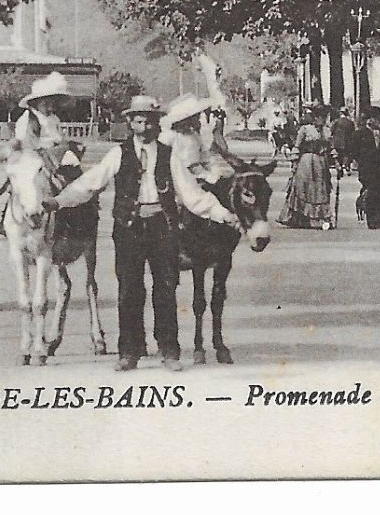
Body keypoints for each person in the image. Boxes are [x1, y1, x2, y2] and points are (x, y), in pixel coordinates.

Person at [53, 95, 241, 372]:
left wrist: (225, 215)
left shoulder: (169, 155)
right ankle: (130, 351)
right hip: (128, 229)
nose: (145, 126)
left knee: (165, 287)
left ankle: (169, 351)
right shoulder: (118, 154)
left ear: (156, 124)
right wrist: (58, 201)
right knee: (129, 290)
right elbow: (90, 183)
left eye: (150, 121)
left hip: (162, 227)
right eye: (139, 121)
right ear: (130, 123)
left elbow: (192, 195)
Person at [282, 105, 335, 229]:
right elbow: (297, 146)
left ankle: (321, 218)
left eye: (324, 117)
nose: (323, 120)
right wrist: (294, 164)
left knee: (320, 190)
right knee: (304, 188)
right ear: (315, 118)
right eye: (320, 117)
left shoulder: (327, 131)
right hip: (306, 162)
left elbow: (331, 149)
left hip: (321, 163)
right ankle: (302, 218)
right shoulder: (305, 129)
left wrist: (337, 163)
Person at [352, 109, 380, 229]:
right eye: (377, 119)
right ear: (370, 120)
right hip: (369, 169)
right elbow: (355, 151)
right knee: (371, 193)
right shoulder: (360, 134)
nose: (379, 121)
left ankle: (379, 220)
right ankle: (371, 220)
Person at [329, 104, 357, 177]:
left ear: (340, 113)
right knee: (347, 154)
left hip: (337, 142)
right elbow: (353, 132)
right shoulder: (350, 122)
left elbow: (331, 130)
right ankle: (347, 166)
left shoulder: (336, 121)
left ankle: (339, 168)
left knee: (338, 156)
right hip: (347, 141)